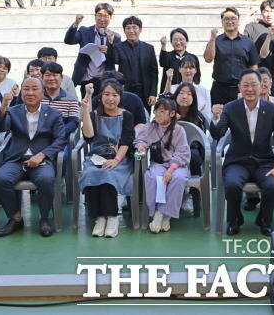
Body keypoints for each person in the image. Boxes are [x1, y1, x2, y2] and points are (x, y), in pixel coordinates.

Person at [210, 69, 274, 236]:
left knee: (272, 185)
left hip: (264, 161)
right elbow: (218, 134)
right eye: (245, 85)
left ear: (261, 87)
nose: (250, 89)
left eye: (254, 85)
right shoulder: (231, 108)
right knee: (231, 185)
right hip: (238, 161)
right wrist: (215, 118)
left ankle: (264, 220)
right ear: (239, 87)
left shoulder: (273, 109)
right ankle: (235, 220)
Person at [0, 78, 67, 237]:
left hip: (42, 160)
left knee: (46, 179)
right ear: (21, 92)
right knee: (0, 179)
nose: (30, 93)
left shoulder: (53, 114)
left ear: (43, 92)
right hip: (16, 159)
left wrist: (42, 155)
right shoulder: (13, 111)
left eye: (35, 89)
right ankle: (15, 218)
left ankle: (44, 218)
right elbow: (0, 127)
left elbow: (61, 139)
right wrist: (4, 105)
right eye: (26, 89)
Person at [80, 80, 135, 238]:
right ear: (101, 96)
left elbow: (126, 142)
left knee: (108, 174)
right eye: (106, 94)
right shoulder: (94, 114)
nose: (110, 98)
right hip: (96, 157)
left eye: (114, 95)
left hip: (119, 158)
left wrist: (116, 160)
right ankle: (99, 218)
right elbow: (89, 135)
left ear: (120, 97)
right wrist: (85, 111)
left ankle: (111, 217)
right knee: (91, 173)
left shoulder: (127, 115)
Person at [135, 97, 190, 233]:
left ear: (171, 113)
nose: (157, 114)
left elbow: (182, 153)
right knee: (152, 177)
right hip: (159, 164)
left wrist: (170, 170)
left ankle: (165, 215)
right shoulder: (151, 127)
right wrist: (141, 146)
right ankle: (158, 213)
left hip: (177, 165)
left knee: (178, 179)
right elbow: (141, 139)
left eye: (162, 111)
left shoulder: (179, 130)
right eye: (156, 111)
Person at [204, 7, 259, 105]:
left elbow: (253, 66)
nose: (230, 21)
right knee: (218, 117)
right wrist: (212, 37)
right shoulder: (216, 41)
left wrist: (249, 86)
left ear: (238, 21)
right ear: (222, 22)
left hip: (241, 88)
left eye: (233, 18)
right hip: (219, 88)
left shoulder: (248, 42)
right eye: (226, 19)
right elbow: (208, 59)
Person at [65, 4, 121, 97]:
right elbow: (69, 40)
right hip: (86, 79)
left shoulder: (115, 37)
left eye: (106, 16)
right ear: (95, 16)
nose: (102, 19)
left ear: (111, 17)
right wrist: (76, 23)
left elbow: (116, 60)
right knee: (87, 107)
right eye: (99, 15)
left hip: (105, 81)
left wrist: (109, 49)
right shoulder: (84, 31)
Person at [108, 16, 158, 112]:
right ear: (124, 30)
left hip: (145, 93)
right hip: (125, 91)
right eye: (128, 28)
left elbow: (154, 73)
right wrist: (110, 43)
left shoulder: (149, 48)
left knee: (144, 120)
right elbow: (113, 60)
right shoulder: (118, 47)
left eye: (134, 27)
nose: (131, 31)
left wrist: (153, 93)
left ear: (140, 30)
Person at [173, 83, 208, 178]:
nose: (185, 96)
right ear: (176, 96)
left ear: (194, 98)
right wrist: (172, 122)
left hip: (192, 149)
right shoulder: (169, 114)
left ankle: (195, 187)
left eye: (189, 94)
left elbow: (201, 139)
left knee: (193, 155)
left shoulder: (199, 117)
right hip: (171, 149)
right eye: (181, 93)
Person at [40, 62, 80, 139]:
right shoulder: (36, 97)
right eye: (47, 75)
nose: (51, 78)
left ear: (61, 78)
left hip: (61, 140)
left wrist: (58, 133)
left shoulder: (71, 100)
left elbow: (73, 122)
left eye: (55, 75)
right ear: (42, 78)